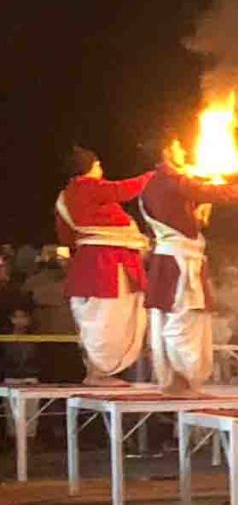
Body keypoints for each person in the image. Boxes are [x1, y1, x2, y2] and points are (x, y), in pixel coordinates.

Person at [139, 146, 238, 392]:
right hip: (180, 261)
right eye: (182, 148)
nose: (187, 153)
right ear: (168, 151)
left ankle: (175, 379)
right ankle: (180, 381)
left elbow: (188, 217)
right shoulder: (173, 181)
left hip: (170, 257)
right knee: (182, 320)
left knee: (172, 318)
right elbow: (221, 193)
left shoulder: (153, 183)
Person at [54, 148, 152, 381]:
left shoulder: (67, 196)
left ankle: (97, 370)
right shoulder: (86, 186)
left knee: (94, 321)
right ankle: (99, 372)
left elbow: (66, 237)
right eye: (98, 164)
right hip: (106, 265)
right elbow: (123, 189)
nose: (101, 169)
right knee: (107, 320)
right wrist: (156, 176)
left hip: (90, 263)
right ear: (90, 166)